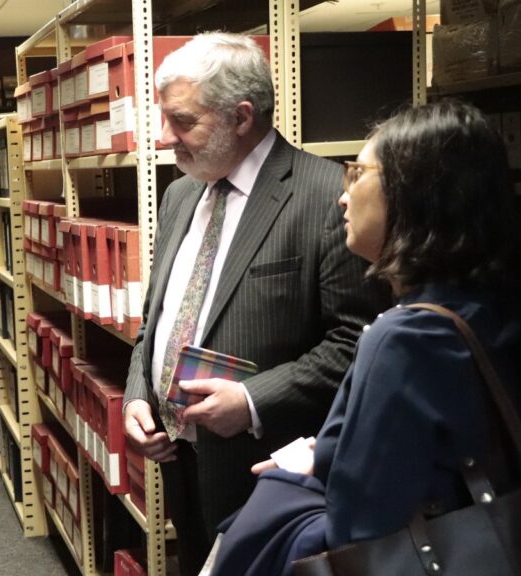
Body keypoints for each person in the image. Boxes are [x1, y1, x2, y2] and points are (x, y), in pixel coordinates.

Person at [210, 99, 521, 576]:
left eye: (357, 173)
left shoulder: (404, 339)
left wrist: (287, 489)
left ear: (413, 192)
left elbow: (359, 532)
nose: (343, 197)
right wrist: (325, 455)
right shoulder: (489, 306)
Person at [121, 32, 388, 576]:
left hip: (271, 478)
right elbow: (155, 320)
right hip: (181, 461)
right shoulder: (179, 195)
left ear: (241, 118)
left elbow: (356, 343)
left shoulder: (323, 196)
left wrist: (252, 399)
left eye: (182, 121)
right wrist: (136, 396)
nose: (160, 137)